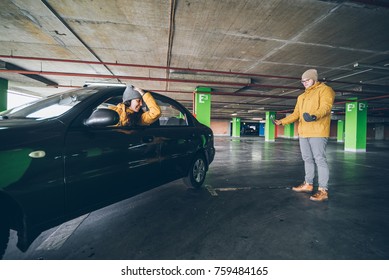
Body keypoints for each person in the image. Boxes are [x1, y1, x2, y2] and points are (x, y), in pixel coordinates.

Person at [273, 69, 335, 202]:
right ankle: (308, 184)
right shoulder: (301, 97)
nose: (305, 83)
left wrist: (314, 116)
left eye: (307, 80)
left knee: (320, 159)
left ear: (314, 79)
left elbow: (326, 107)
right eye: (303, 81)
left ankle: (323, 190)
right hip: (304, 132)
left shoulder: (325, 90)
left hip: (318, 131)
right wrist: (282, 122)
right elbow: (296, 114)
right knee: (307, 158)